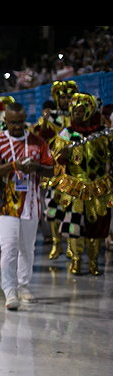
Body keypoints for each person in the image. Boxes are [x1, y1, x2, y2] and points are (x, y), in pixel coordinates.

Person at [0, 103, 55, 310]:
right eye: (13, 122)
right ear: (5, 121)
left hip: (31, 203)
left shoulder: (37, 141)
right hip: (4, 203)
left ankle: (24, 285)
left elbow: (51, 170)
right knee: (9, 248)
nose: (17, 126)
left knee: (27, 248)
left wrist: (38, 168)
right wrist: (14, 166)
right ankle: (9, 291)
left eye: (20, 122)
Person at [49, 92, 112, 275]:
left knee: (97, 224)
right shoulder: (66, 133)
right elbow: (55, 161)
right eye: (74, 110)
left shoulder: (101, 133)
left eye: (81, 110)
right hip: (74, 187)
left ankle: (93, 262)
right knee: (73, 225)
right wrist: (63, 157)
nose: (77, 113)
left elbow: (108, 155)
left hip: (98, 186)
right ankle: (76, 260)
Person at [33, 81, 78, 261]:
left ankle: (71, 247)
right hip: (55, 170)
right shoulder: (50, 119)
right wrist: (45, 122)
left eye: (69, 97)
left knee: (74, 210)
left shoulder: (80, 117)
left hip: (75, 170)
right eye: (63, 97)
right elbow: (41, 139)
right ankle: (56, 243)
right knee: (52, 210)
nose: (66, 100)